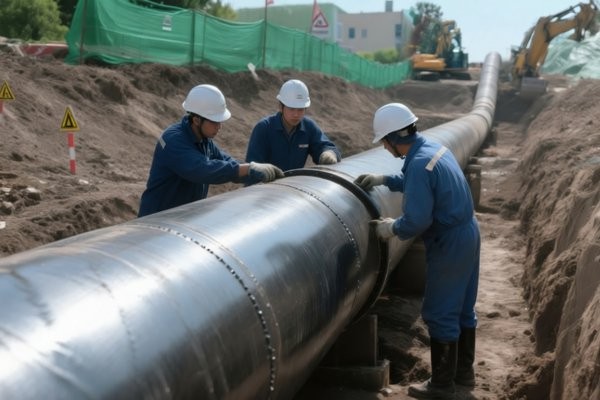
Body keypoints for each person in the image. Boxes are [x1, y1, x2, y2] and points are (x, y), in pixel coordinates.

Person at [354, 103, 480, 399]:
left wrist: (391, 228)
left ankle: (441, 385)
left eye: (384, 142)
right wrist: (385, 180)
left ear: (393, 137)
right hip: (467, 232)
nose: (385, 148)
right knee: (463, 307)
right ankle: (463, 372)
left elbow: (417, 220)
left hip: (449, 242)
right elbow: (419, 182)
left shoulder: (420, 164)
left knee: (440, 311)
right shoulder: (432, 149)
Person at [138, 84, 284, 217]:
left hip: (179, 218)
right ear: (196, 120)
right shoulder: (173, 140)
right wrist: (248, 168)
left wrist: (254, 172)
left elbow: (225, 162)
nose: (219, 127)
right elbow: (203, 170)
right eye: (214, 122)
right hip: (155, 221)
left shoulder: (203, 140)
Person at [245, 79, 341, 177]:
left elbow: (325, 146)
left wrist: (329, 153)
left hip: (293, 184)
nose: (296, 114)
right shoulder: (264, 128)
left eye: (300, 110)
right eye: (291, 109)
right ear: (280, 107)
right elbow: (252, 169)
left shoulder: (308, 127)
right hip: (266, 185)